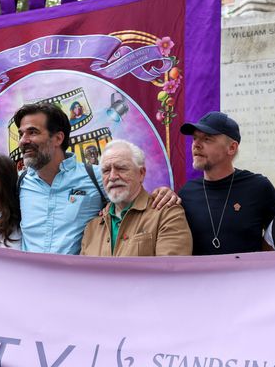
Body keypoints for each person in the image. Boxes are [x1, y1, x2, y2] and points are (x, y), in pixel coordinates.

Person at [15, 103, 179, 255]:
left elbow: (136, 203)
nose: (23, 141)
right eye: (21, 134)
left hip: (78, 283)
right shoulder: (19, 183)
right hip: (29, 283)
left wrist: (162, 194)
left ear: (58, 138)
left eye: (33, 132)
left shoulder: (96, 177)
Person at [178, 111, 275, 255]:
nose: (196, 145)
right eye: (195, 138)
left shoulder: (259, 188)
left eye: (207, 139)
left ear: (232, 148)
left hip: (247, 277)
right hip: (199, 277)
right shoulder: (186, 192)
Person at [81, 140, 192, 256]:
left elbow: (170, 270)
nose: (112, 177)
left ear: (141, 173)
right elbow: (82, 274)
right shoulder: (91, 229)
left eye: (121, 168)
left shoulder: (167, 214)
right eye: (106, 170)